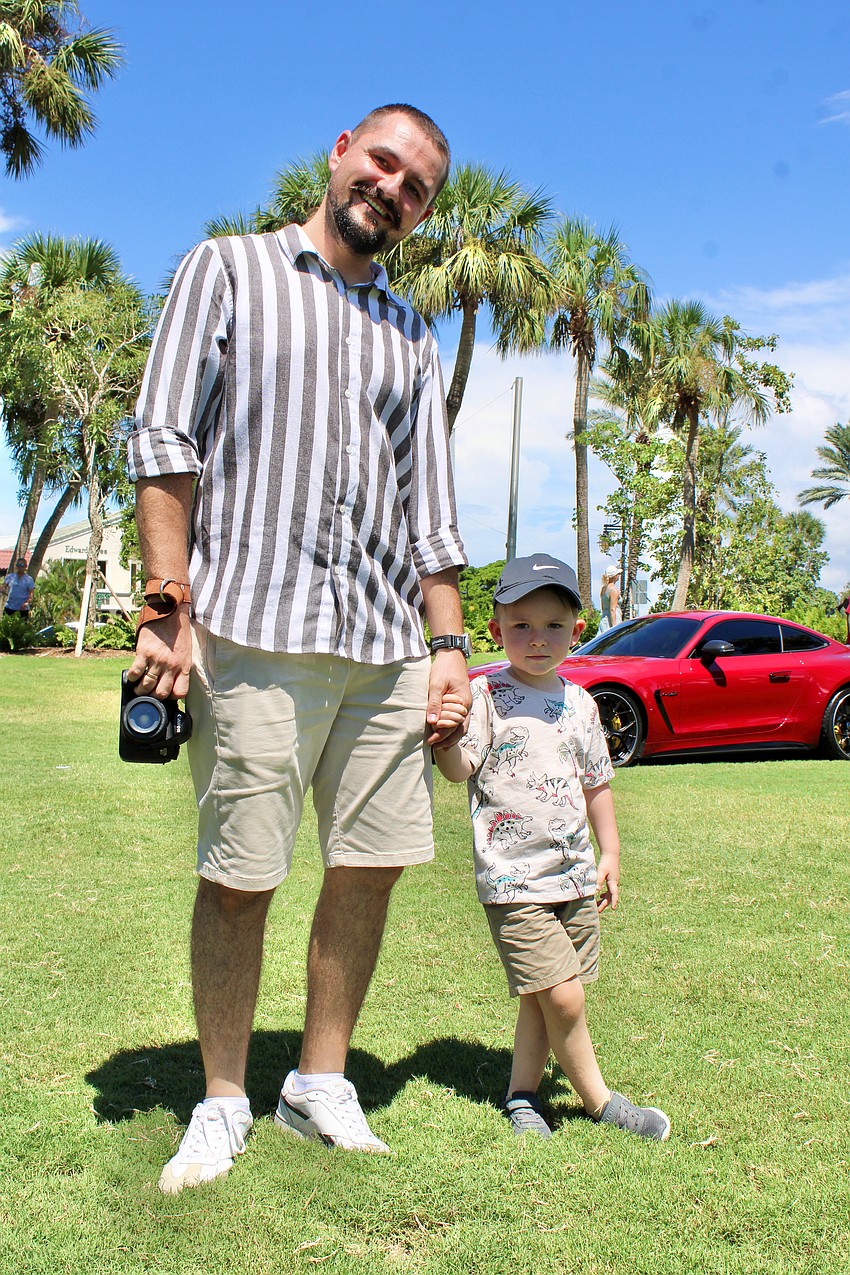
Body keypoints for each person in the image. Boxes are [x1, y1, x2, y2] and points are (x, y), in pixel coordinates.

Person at [127, 104, 471, 1193]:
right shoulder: (226, 270)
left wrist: (450, 646)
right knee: (241, 876)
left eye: (415, 187)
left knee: (368, 871)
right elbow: (165, 440)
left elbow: (432, 509)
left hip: (381, 649)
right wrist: (164, 600)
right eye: (383, 163)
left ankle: (317, 1082)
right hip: (250, 631)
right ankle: (222, 1097)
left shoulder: (411, 335)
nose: (392, 190)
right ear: (338, 154)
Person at [434, 554, 670, 1142]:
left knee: (545, 998)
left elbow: (597, 784)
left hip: (573, 877)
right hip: (514, 881)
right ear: (495, 631)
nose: (536, 639)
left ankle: (522, 1094)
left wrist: (610, 853)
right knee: (561, 999)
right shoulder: (485, 693)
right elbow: (461, 769)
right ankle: (601, 1102)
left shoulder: (582, 703)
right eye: (521, 626)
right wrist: (442, 740)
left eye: (553, 626)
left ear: (577, 631)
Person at [598, 563, 620, 632]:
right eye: (617, 574)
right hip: (612, 620)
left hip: (604, 620)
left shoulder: (604, 589)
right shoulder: (614, 590)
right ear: (615, 577)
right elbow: (612, 609)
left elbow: (603, 608)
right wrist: (614, 627)